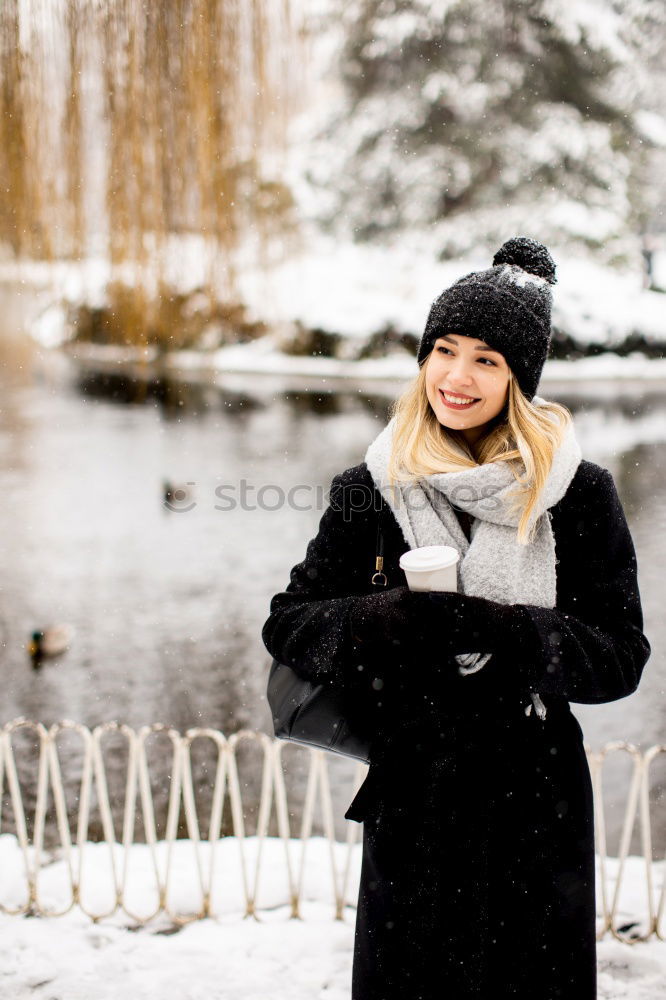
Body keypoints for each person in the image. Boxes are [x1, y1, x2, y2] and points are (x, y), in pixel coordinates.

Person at [261, 237, 650, 999]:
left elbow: (620, 655)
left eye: (487, 359)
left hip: (535, 799)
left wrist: (505, 632)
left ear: (520, 379)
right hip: (417, 795)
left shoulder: (577, 494)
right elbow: (290, 622)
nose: (457, 376)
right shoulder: (371, 486)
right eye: (444, 349)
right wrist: (387, 617)